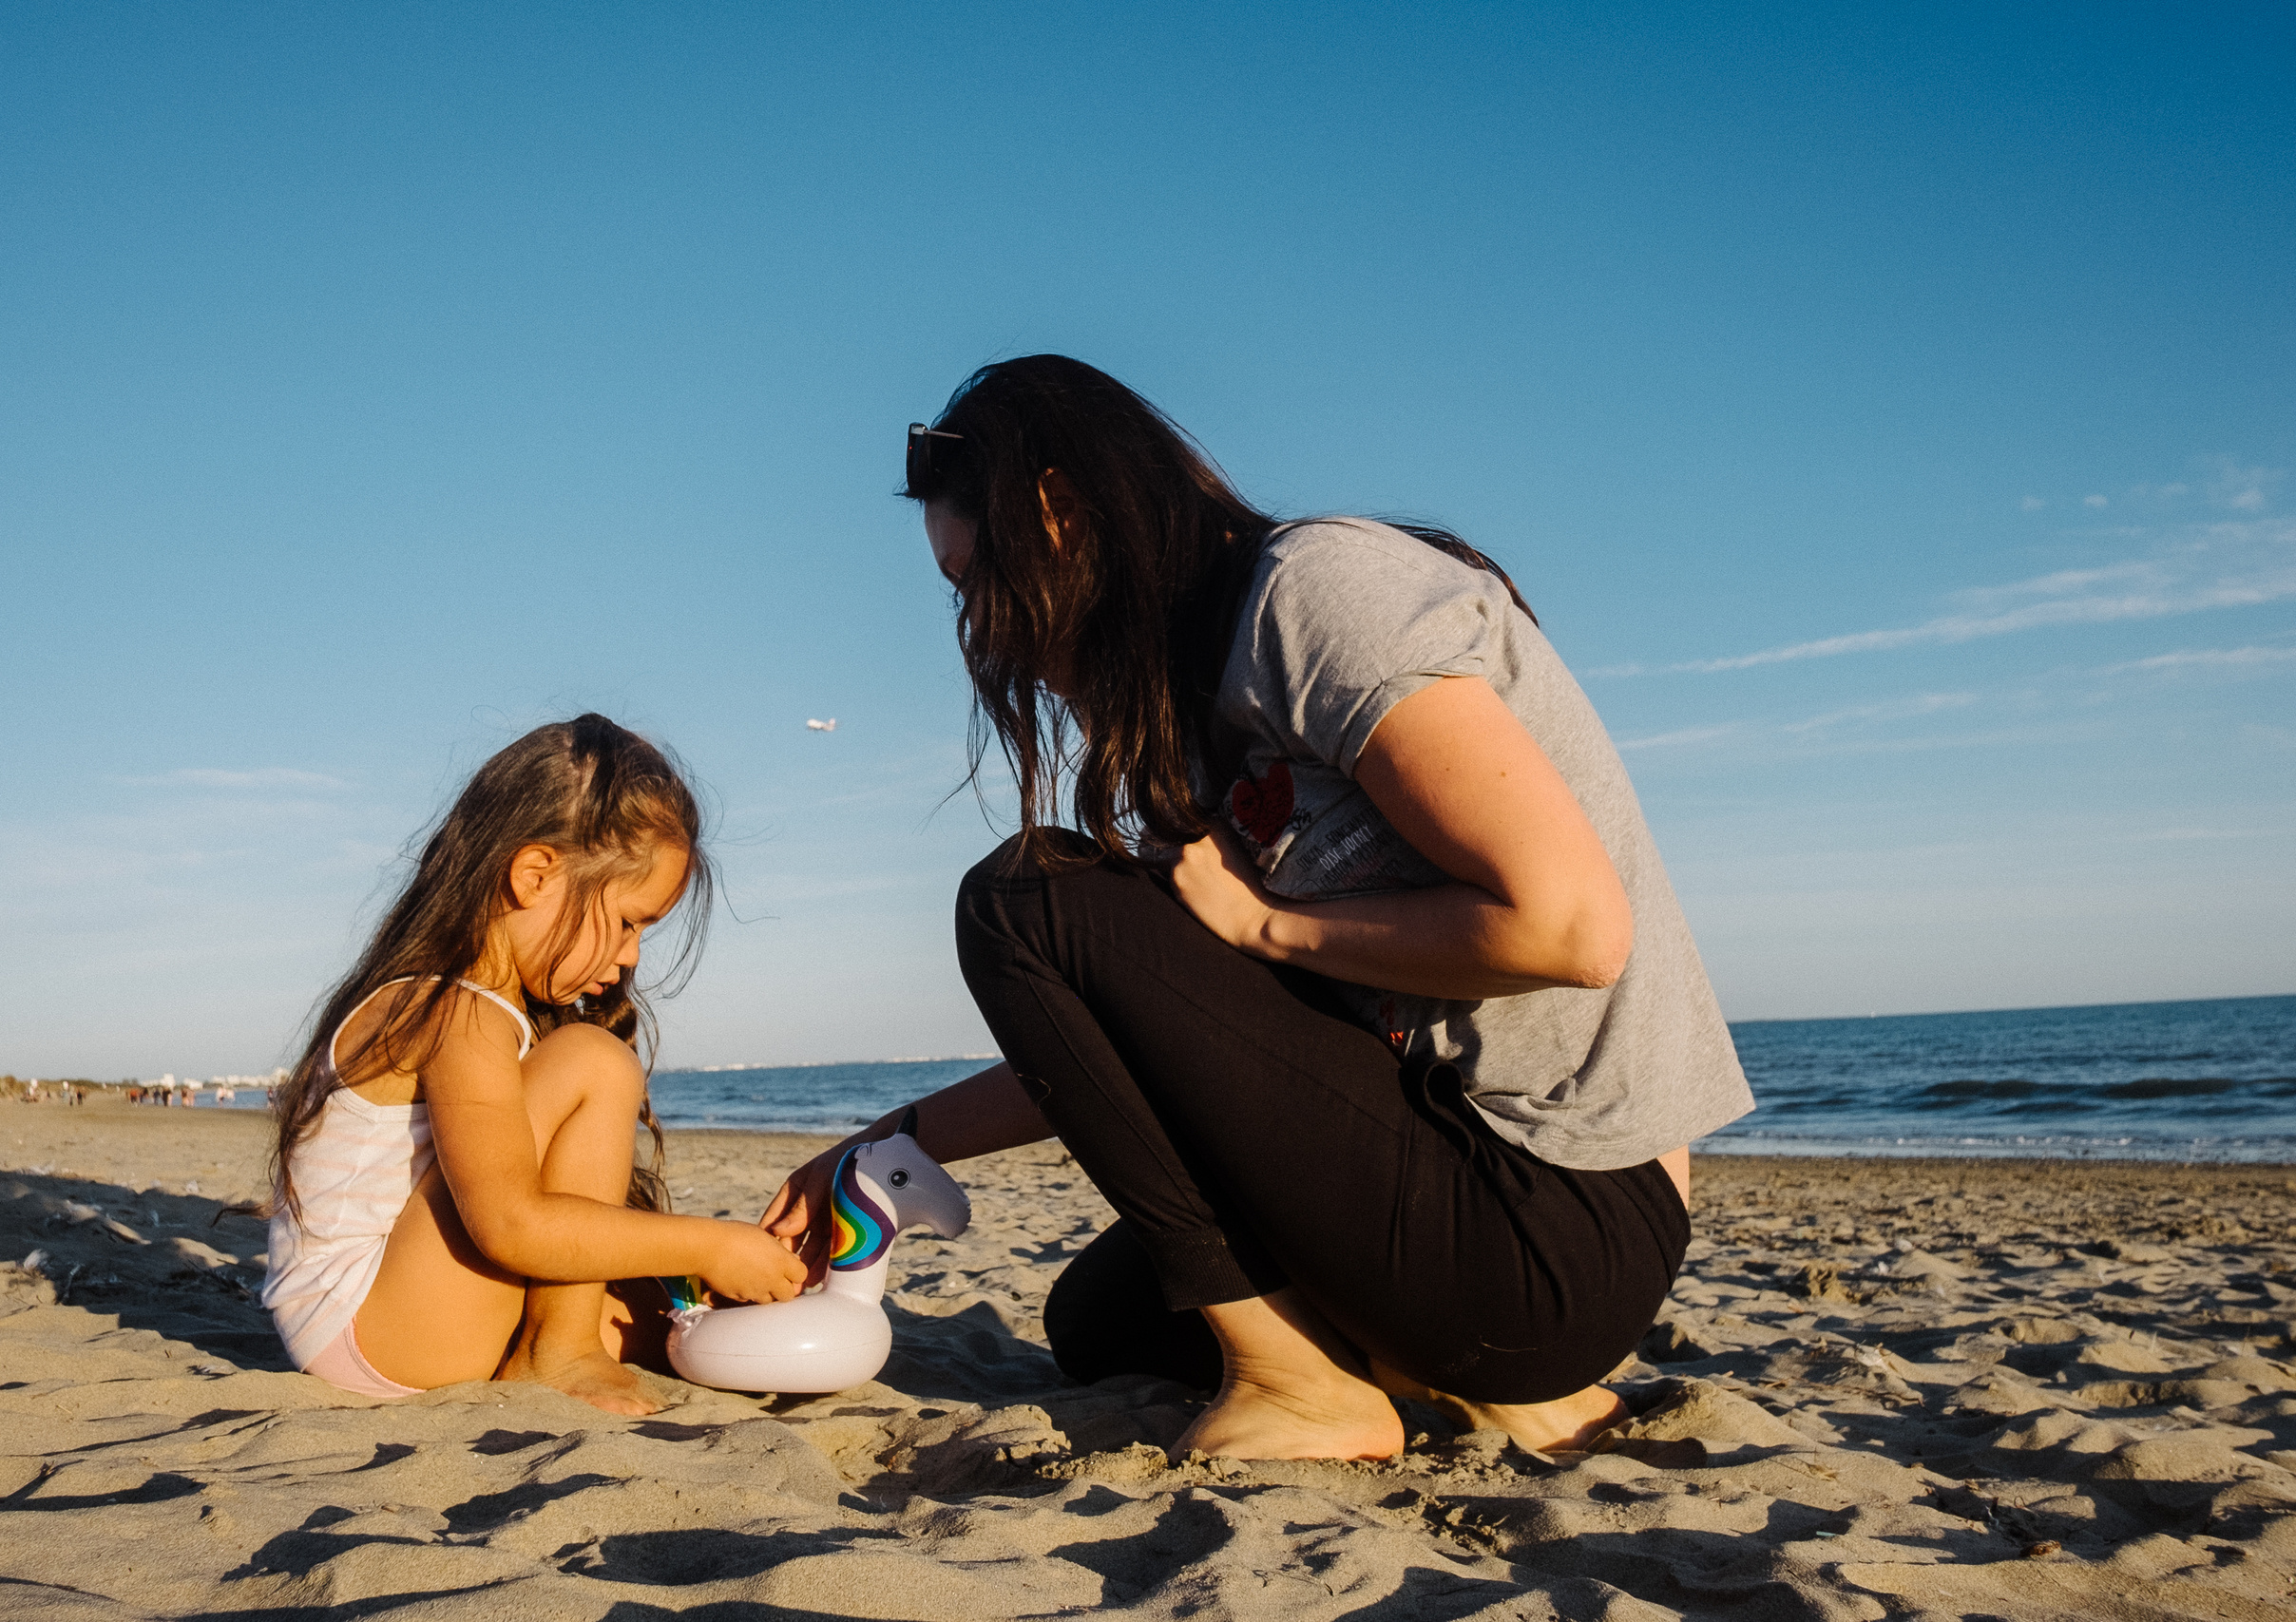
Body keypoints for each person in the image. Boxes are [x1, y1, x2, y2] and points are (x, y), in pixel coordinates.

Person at [763, 356, 1751, 1460]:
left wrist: (1266, 927)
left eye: (978, 586)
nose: (986, 637)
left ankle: (1314, 1390)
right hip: (1444, 1178)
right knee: (1105, 1324)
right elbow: (1138, 1034)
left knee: (1021, 895)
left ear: (1059, 512)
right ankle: (1493, 1393)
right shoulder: (1178, 724)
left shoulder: (1317, 592)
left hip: (1559, 1215)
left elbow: (1569, 930)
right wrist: (880, 1145)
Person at [260, 715, 807, 1412]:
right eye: (630, 921)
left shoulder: (483, 1010)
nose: (632, 955)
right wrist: (709, 1244)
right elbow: (511, 1223)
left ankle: (577, 1339)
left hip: (394, 1319)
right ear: (534, 873)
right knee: (594, 1061)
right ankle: (559, 1352)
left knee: (665, 1319)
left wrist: (711, 1269)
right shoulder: (454, 1010)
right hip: (375, 1327)